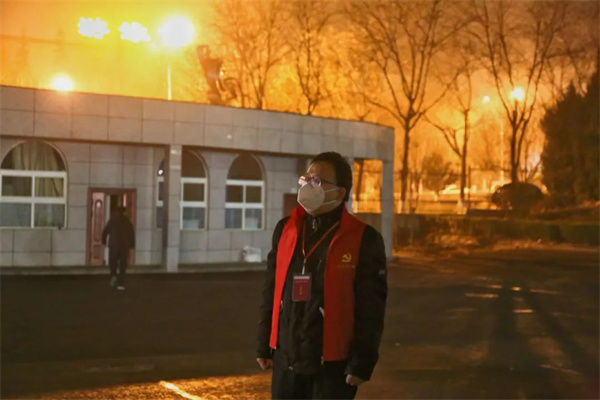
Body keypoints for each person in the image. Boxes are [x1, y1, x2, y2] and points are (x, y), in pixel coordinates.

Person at [256, 152, 388, 399]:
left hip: (333, 368)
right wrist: (265, 344)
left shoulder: (364, 239)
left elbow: (371, 308)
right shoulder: (286, 229)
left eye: (317, 181)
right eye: (306, 179)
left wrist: (361, 363)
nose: (308, 186)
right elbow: (272, 289)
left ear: (340, 192)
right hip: (287, 361)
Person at [102, 206, 135, 290]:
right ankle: (121, 283)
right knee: (123, 264)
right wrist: (132, 245)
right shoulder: (127, 221)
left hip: (114, 245)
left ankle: (113, 275)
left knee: (113, 262)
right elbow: (132, 233)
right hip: (124, 246)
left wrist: (104, 242)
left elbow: (105, 231)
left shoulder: (112, 220)